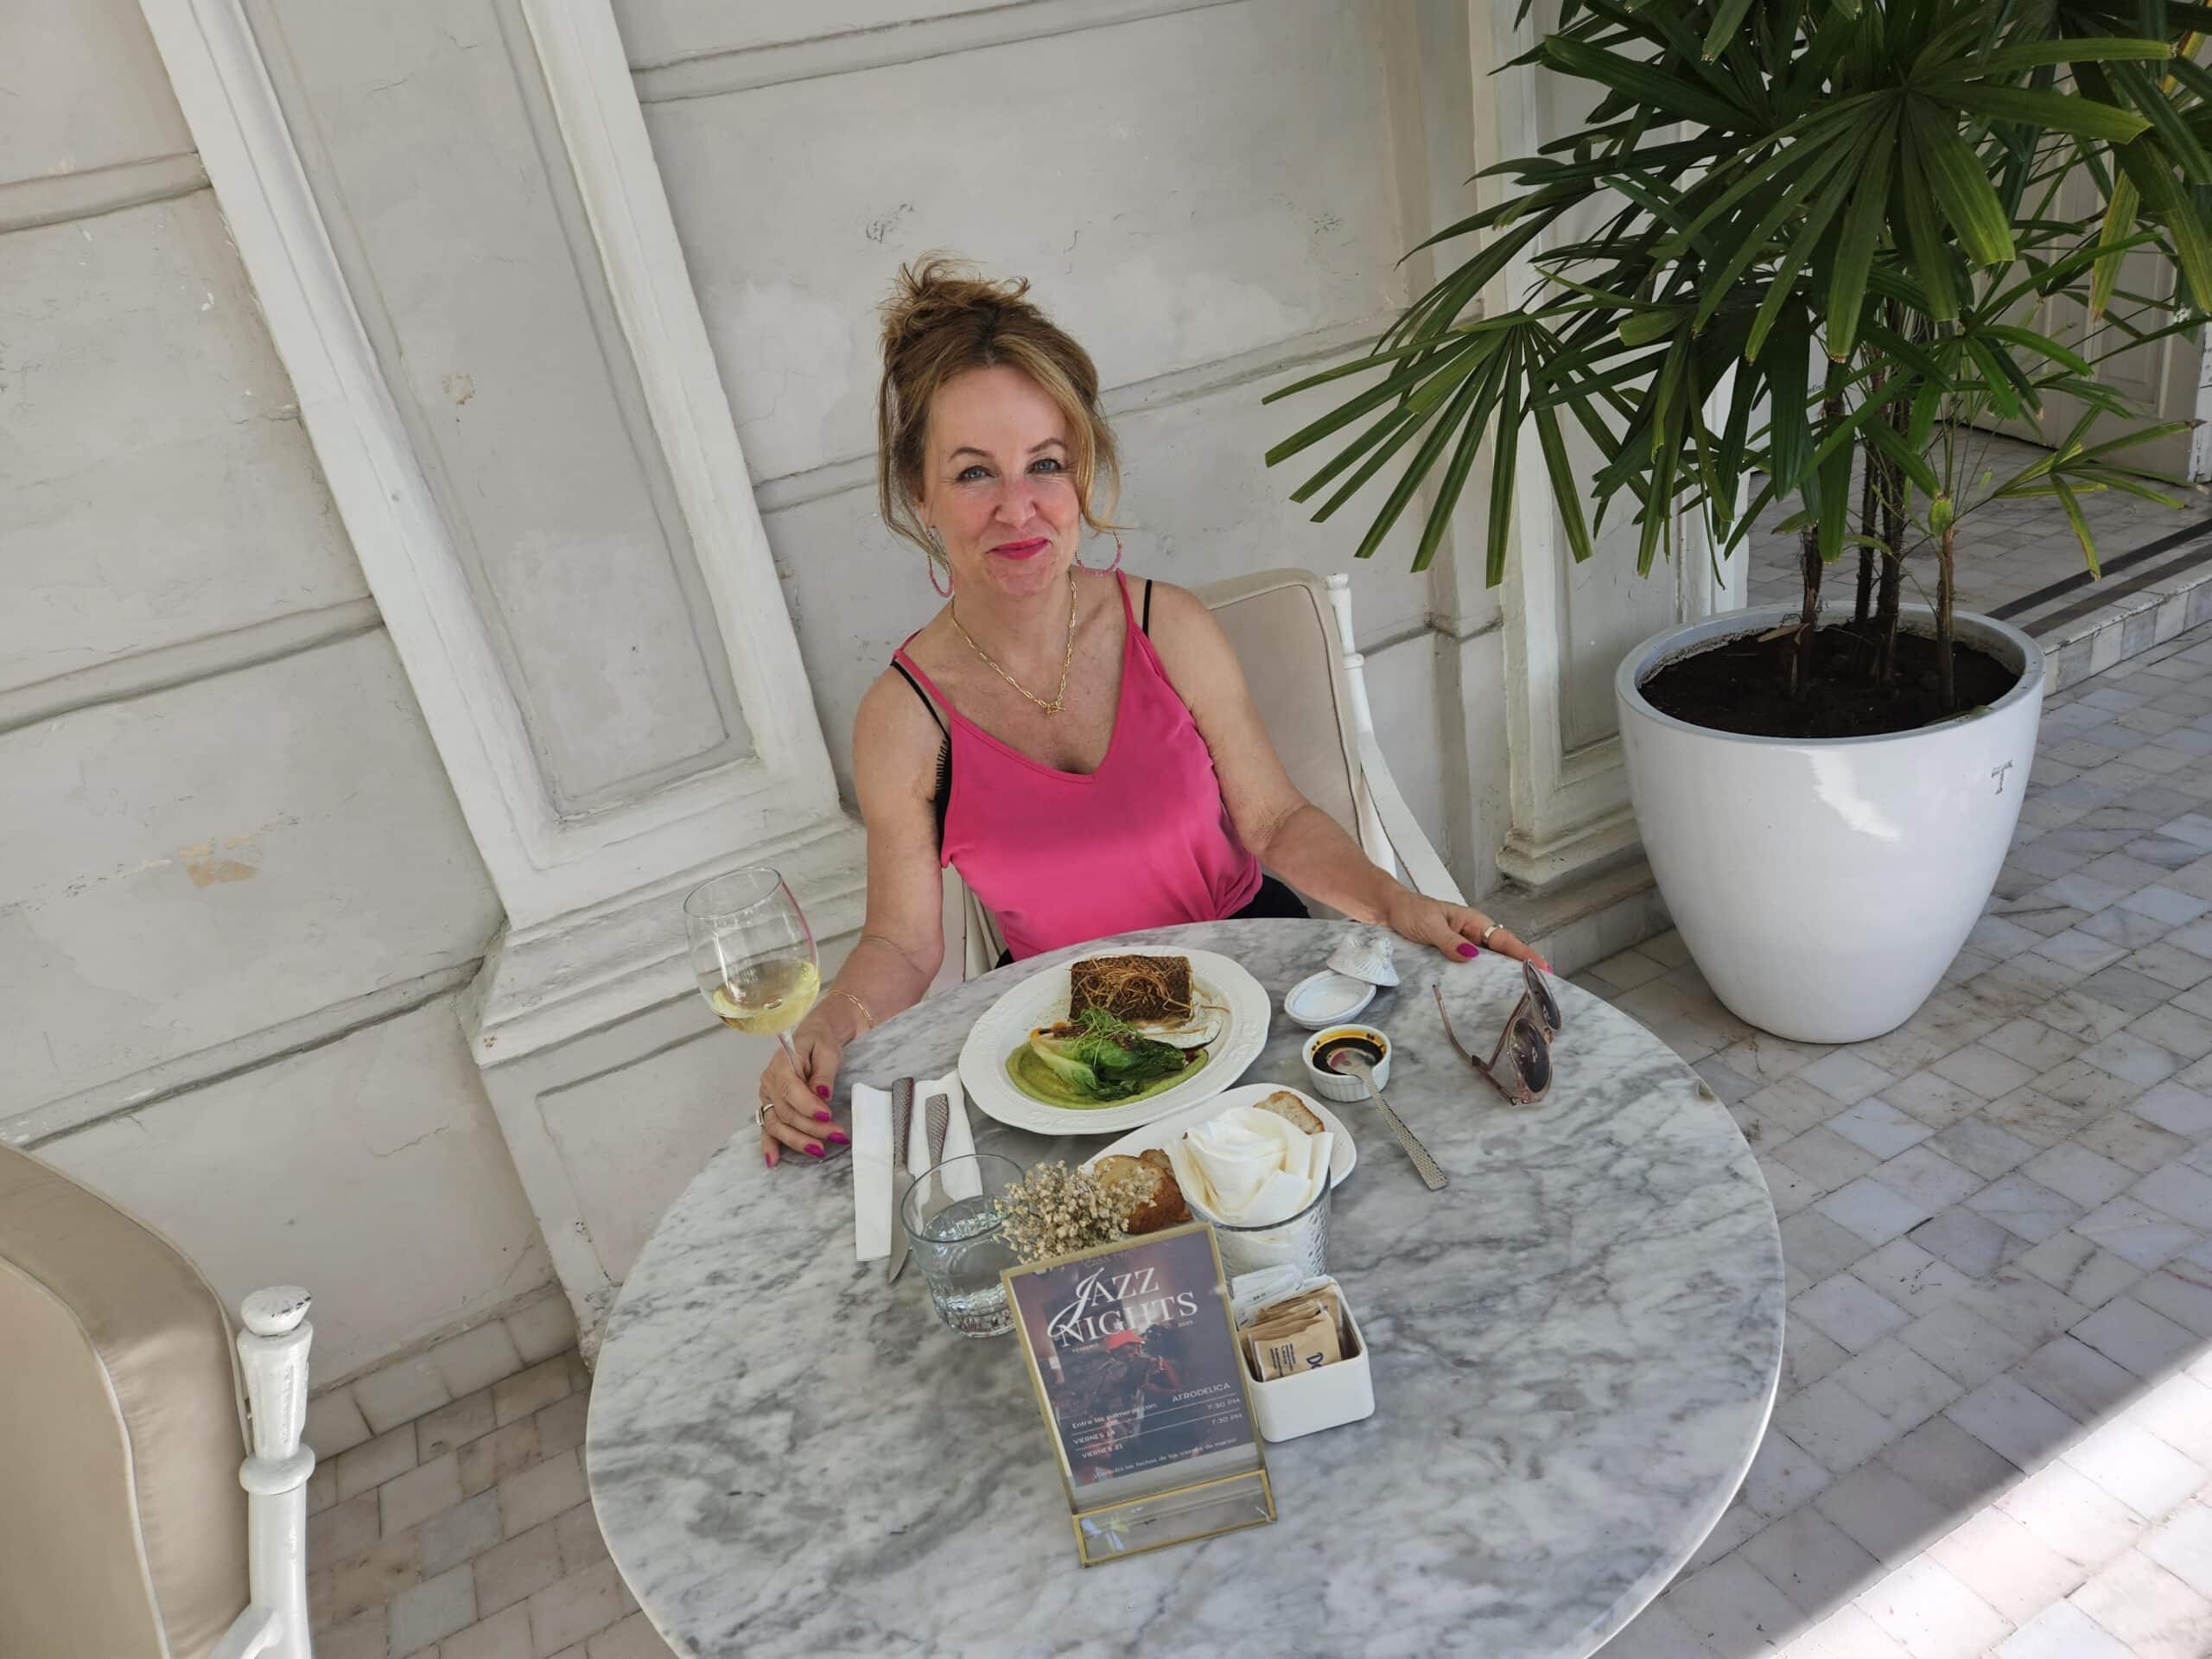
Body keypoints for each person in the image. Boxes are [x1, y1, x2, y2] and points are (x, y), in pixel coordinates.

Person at [753, 258, 1547, 1166]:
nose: (1019, 508)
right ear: (919, 496)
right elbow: (901, 941)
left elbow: (1275, 819)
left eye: (1045, 465)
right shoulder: (902, 718)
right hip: (1074, 1048)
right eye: (973, 474)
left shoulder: (1169, 626)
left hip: (1261, 982)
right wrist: (832, 1021)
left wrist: (1398, 903)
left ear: (1082, 471)